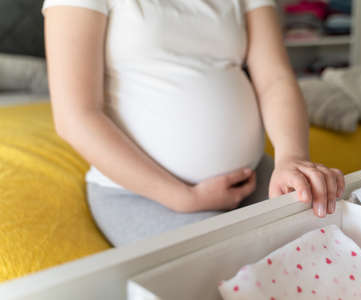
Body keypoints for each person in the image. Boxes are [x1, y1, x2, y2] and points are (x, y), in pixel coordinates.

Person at [42, 0, 345, 246]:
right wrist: (183, 197)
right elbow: (76, 116)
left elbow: (275, 79)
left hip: (253, 176)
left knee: (333, 239)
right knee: (236, 272)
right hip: (141, 195)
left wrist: (291, 157)